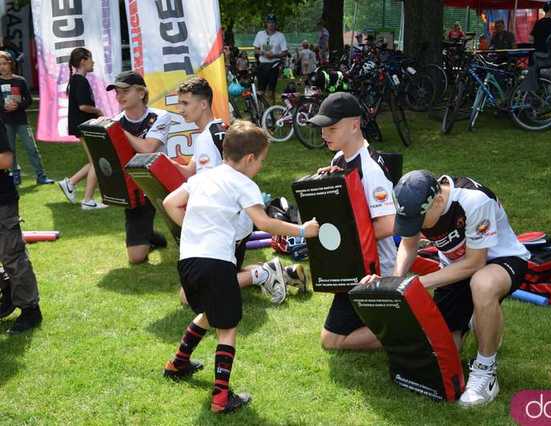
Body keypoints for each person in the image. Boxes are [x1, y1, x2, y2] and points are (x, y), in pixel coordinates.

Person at [161, 120, 319, 413]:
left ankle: (178, 363)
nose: (259, 167)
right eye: (260, 161)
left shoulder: (203, 178)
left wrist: (197, 229)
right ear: (249, 159)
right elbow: (264, 222)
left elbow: (171, 203)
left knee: (209, 313)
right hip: (217, 262)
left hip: (189, 260)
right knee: (228, 328)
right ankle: (221, 398)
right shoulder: (244, 183)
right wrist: (302, 230)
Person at [362, 170, 530, 408]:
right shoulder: (419, 201)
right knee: (443, 353)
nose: (417, 226)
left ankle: (485, 371)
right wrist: (394, 281)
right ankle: (480, 318)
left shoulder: (474, 200)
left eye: (419, 221)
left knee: (482, 284)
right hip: (455, 268)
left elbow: (475, 263)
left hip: (500, 261)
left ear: (439, 200)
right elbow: (409, 245)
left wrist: (415, 284)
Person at [174, 77, 305, 304]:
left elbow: (210, 184)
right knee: (221, 274)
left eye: (185, 103)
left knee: (191, 296)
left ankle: (263, 274)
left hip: (228, 227)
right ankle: (282, 272)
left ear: (203, 104)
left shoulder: (208, 138)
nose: (180, 109)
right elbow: (191, 172)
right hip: (234, 223)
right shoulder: (219, 130)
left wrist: (195, 228)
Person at [307, 93, 397, 351]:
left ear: (355, 124)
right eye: (323, 127)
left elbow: (389, 225)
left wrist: (343, 239)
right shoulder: (338, 159)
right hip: (350, 266)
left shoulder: (371, 170)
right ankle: (388, 315)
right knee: (331, 339)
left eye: (332, 127)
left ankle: (407, 328)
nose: (325, 133)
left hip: (374, 271)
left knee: (330, 341)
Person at [106, 71, 170, 264]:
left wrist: (119, 132)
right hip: (135, 189)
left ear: (141, 93)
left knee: (188, 242)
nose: (119, 96)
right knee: (136, 258)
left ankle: (151, 232)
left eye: (125, 91)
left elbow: (148, 149)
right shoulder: (115, 122)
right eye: (117, 92)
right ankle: (149, 236)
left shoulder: (160, 116)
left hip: (163, 184)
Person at [0, 120, 43, 334]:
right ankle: (6, 285)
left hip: (1, 202)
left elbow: (5, 159)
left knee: (12, 256)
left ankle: (30, 310)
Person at [57, 48, 106, 210]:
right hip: (84, 126)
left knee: (95, 160)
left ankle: (70, 183)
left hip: (82, 126)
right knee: (97, 162)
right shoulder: (80, 80)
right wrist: (98, 111)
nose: (93, 62)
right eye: (91, 59)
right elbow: (83, 106)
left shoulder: (77, 80)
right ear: (83, 61)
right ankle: (87, 200)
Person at [0, 51, 53, 186]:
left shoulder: (20, 80)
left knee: (31, 148)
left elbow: (29, 100)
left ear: (10, 64)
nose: (2, 67)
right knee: (10, 150)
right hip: (5, 122)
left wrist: (18, 105)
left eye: (5, 63)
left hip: (21, 121)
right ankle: (14, 175)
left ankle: (41, 176)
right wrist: (4, 106)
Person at [253, 14, 288, 104]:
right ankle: (262, 111)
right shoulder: (260, 34)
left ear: (276, 24)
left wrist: (274, 55)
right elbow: (256, 50)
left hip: (274, 65)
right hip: (262, 64)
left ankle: (271, 112)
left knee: (270, 91)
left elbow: (285, 52)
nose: (271, 24)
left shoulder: (280, 36)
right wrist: (264, 53)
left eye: (273, 22)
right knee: (260, 91)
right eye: (269, 22)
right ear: (266, 23)